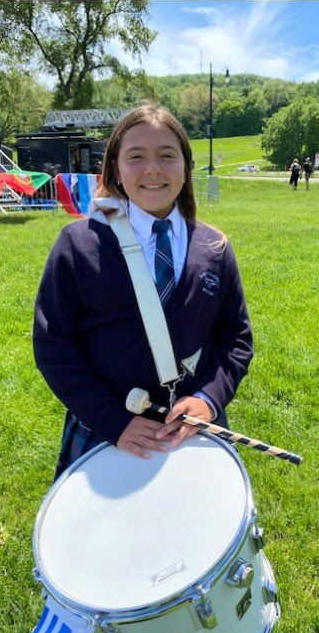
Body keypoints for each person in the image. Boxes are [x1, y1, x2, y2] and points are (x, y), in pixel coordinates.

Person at [31, 100, 253, 485]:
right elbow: (54, 347)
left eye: (167, 156)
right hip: (105, 429)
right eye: (136, 157)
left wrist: (209, 400)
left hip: (191, 429)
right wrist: (112, 421)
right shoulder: (78, 245)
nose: (152, 168)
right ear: (115, 168)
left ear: (186, 168)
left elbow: (235, 339)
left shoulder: (214, 248)